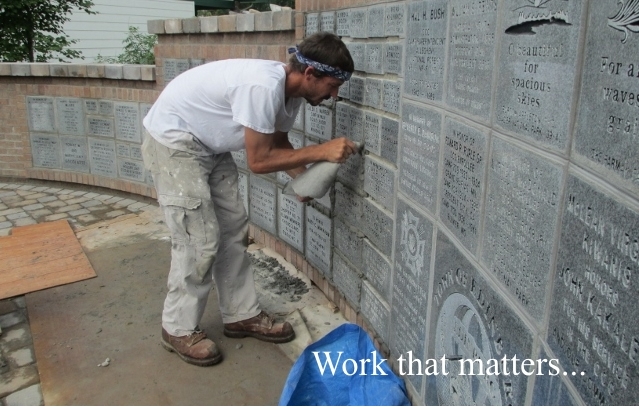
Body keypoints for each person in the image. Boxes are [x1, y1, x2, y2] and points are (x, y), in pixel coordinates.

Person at [141, 32, 357, 367]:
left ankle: (240, 315)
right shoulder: (261, 87)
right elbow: (259, 161)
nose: (333, 95)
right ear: (310, 74)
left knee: (233, 230)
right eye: (331, 86)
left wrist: (304, 179)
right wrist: (323, 151)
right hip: (175, 142)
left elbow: (279, 143)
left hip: (209, 146)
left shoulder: (293, 94)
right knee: (199, 239)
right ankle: (177, 327)